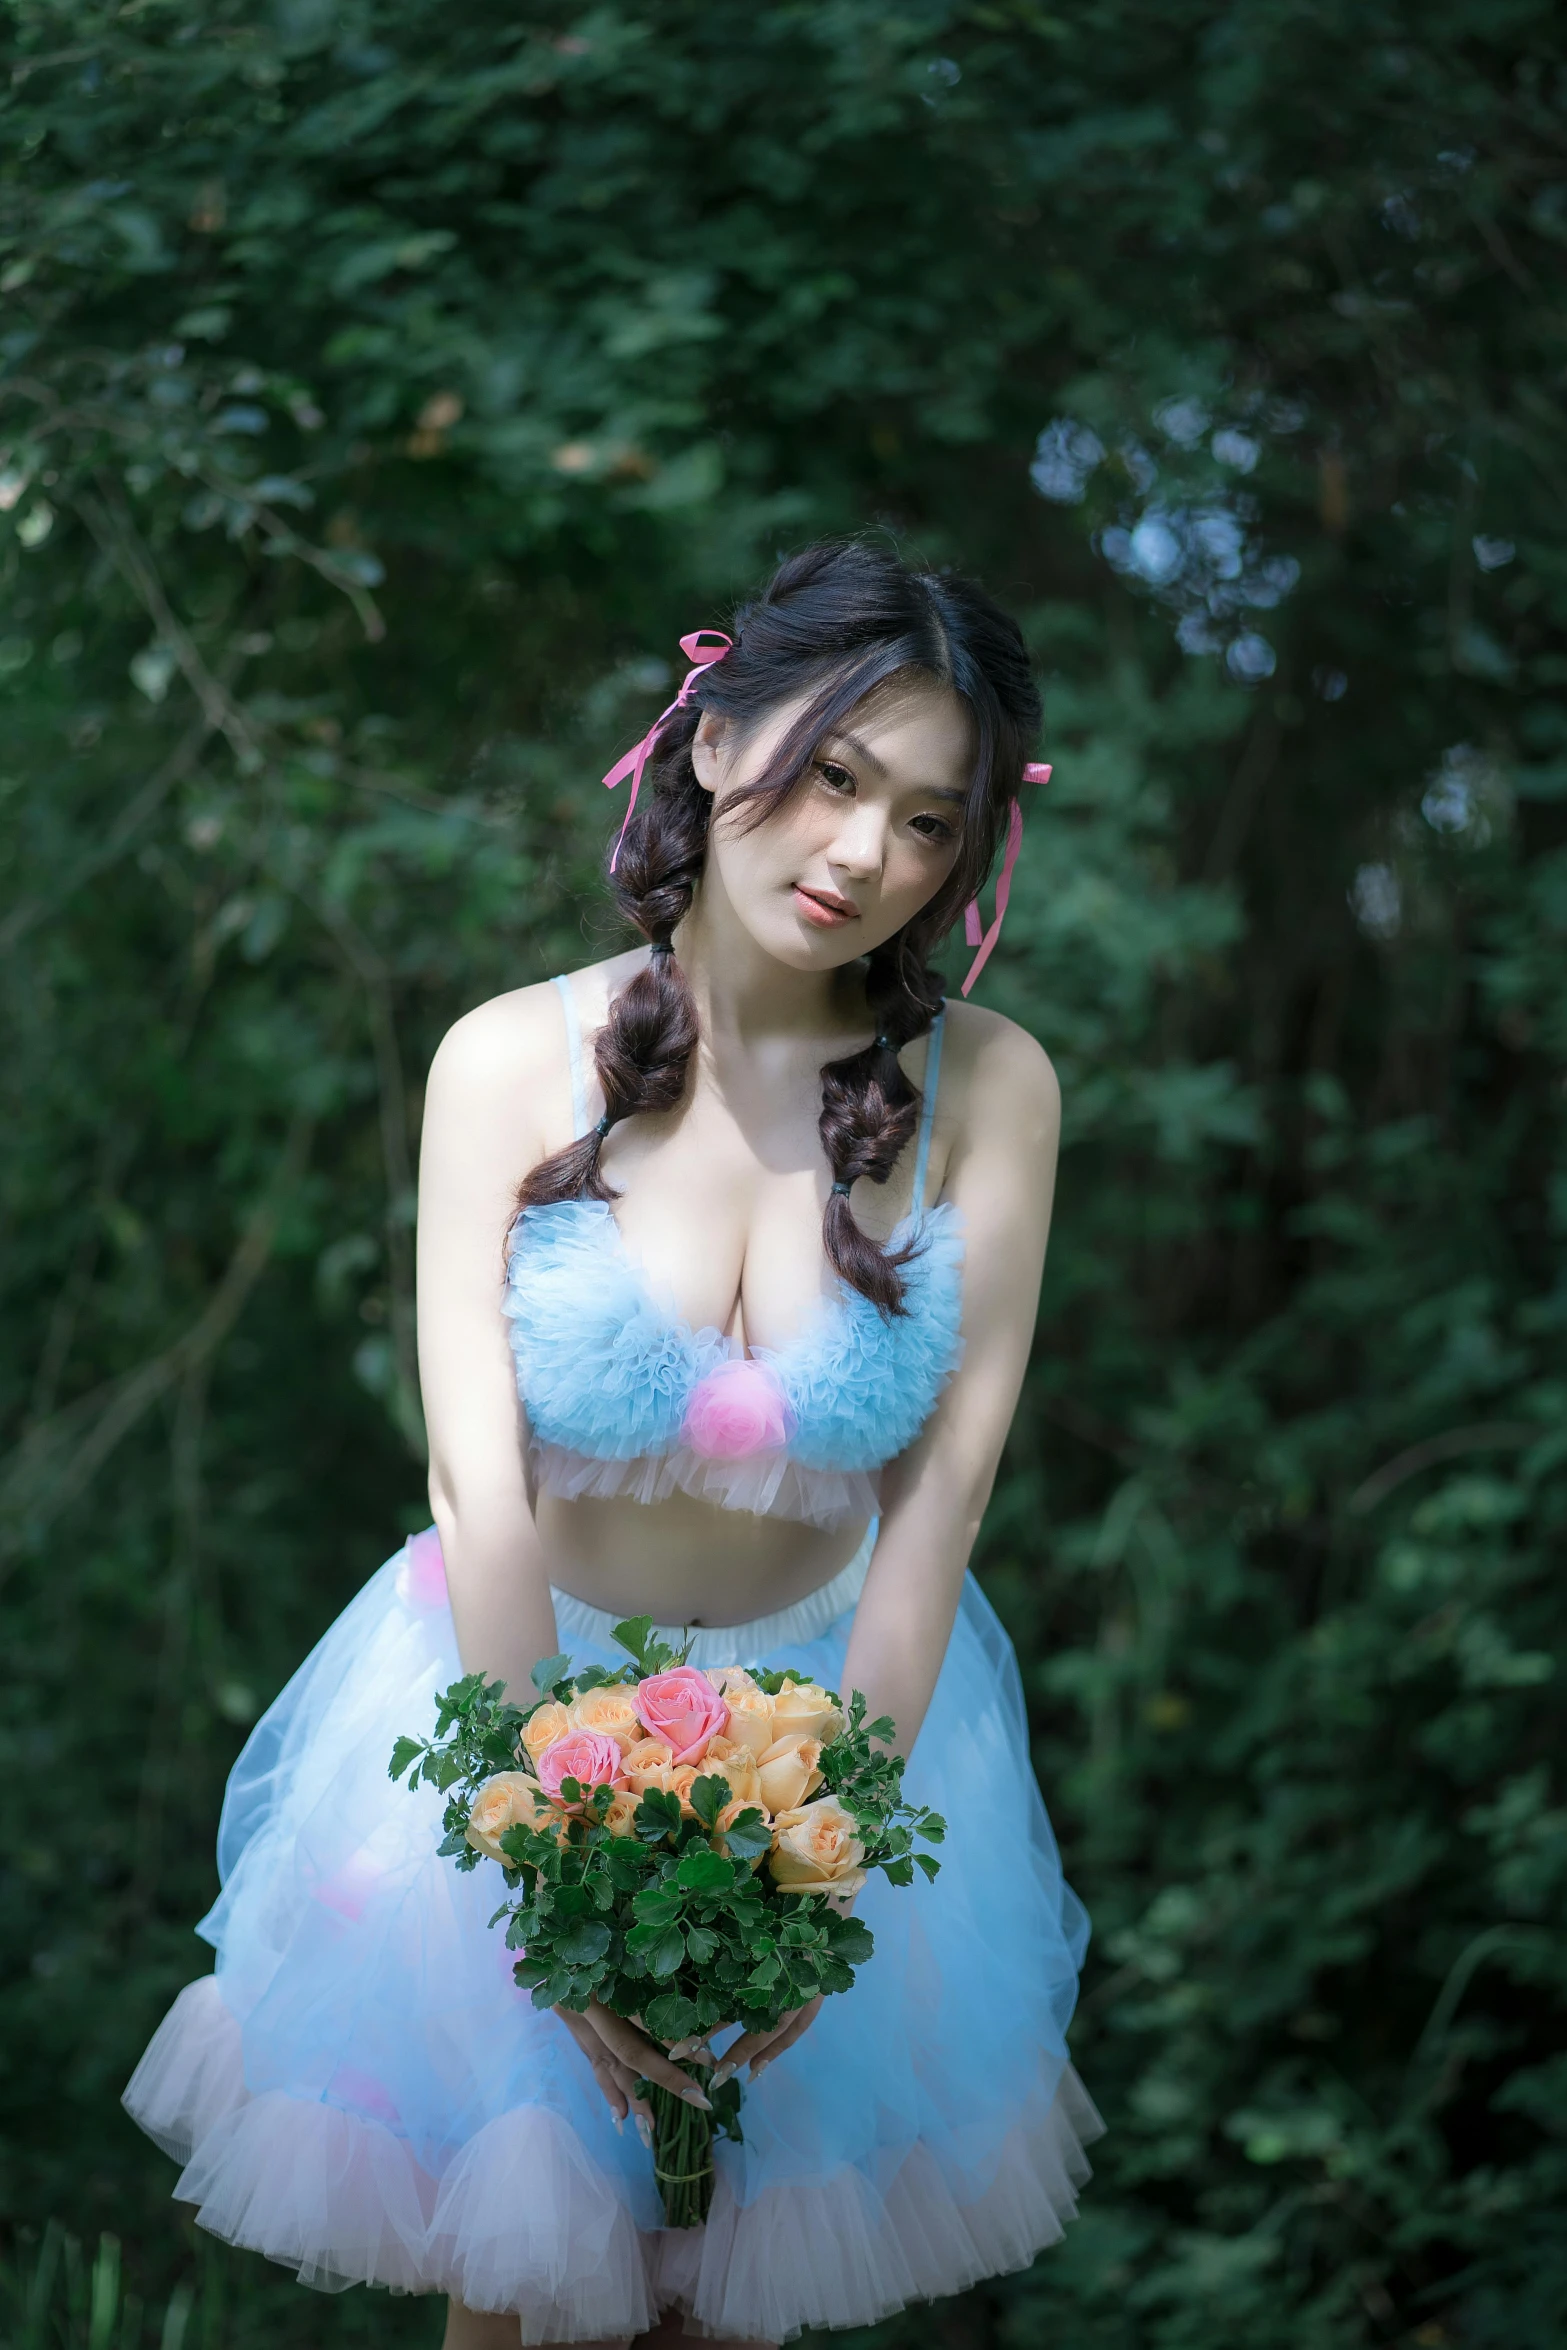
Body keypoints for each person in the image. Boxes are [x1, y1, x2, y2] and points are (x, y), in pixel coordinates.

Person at [124, 539, 1101, 2348]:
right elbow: (471, 1481)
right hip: (515, 1711)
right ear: (715, 734)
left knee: (734, 2303)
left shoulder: (996, 1092)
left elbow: (940, 1503)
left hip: (846, 1729)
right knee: (524, 2295)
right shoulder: (507, 1060)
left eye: (924, 822)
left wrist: (821, 1856)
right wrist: (552, 1859)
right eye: (833, 775)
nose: (865, 856)